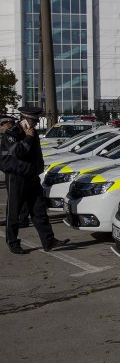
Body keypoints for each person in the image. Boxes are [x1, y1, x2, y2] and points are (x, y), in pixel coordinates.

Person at [2, 106, 69, 254]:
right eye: (34, 120)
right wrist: (29, 137)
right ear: (24, 119)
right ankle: (13, 242)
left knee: (39, 211)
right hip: (16, 177)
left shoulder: (32, 133)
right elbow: (18, 152)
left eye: (37, 120)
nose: (37, 123)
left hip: (32, 177)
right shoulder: (11, 133)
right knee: (14, 212)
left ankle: (49, 241)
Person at [0, 116, 30, 228]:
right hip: (12, 168)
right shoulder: (12, 132)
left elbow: (16, 151)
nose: (1, 127)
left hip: (15, 169)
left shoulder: (12, 133)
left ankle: (20, 220)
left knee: (17, 198)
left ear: (8, 123)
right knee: (15, 197)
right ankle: (14, 218)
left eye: (2, 124)